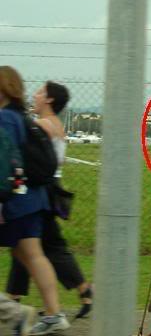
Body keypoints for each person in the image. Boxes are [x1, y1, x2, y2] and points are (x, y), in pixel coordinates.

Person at [6, 81, 93, 320]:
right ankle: (16, 297)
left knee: (41, 245)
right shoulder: (56, 125)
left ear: (49, 99)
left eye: (40, 92)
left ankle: (81, 291)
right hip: (48, 188)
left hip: (40, 190)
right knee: (30, 244)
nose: (35, 95)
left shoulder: (42, 125)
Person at [0, 66, 70, 335]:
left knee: (31, 255)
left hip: (14, 200)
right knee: (32, 255)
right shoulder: (23, 117)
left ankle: (16, 314)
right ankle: (54, 314)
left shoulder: (6, 118)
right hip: (34, 198)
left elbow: (4, 162)